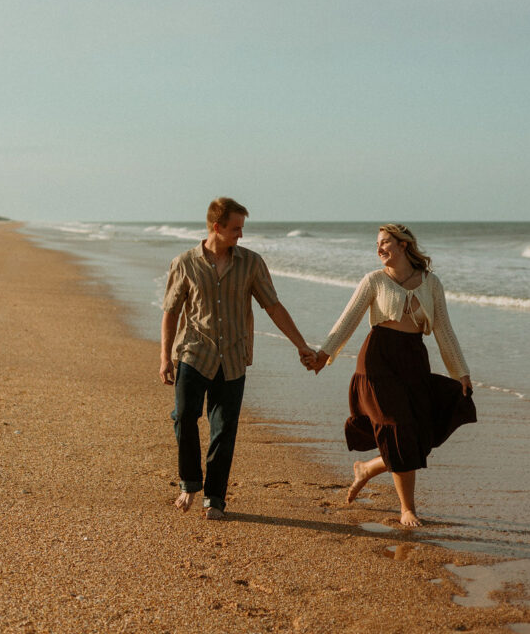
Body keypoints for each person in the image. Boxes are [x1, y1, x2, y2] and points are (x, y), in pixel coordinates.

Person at [307, 223, 476, 527]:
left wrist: (460, 372)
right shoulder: (374, 281)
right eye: (377, 244)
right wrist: (324, 355)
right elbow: (347, 321)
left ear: (403, 245)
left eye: (385, 243)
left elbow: (444, 330)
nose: (379, 249)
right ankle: (407, 509)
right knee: (398, 431)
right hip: (378, 361)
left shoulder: (431, 283)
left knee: (417, 436)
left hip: (413, 360)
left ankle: (367, 468)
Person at [161, 197, 316, 520]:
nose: (240, 236)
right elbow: (171, 312)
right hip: (193, 352)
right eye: (235, 229)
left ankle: (215, 499)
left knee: (224, 429)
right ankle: (190, 483)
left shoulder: (251, 263)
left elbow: (273, 306)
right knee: (185, 417)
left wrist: (300, 344)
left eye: (241, 229)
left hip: (232, 356)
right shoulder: (185, 263)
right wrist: (165, 357)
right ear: (216, 227)